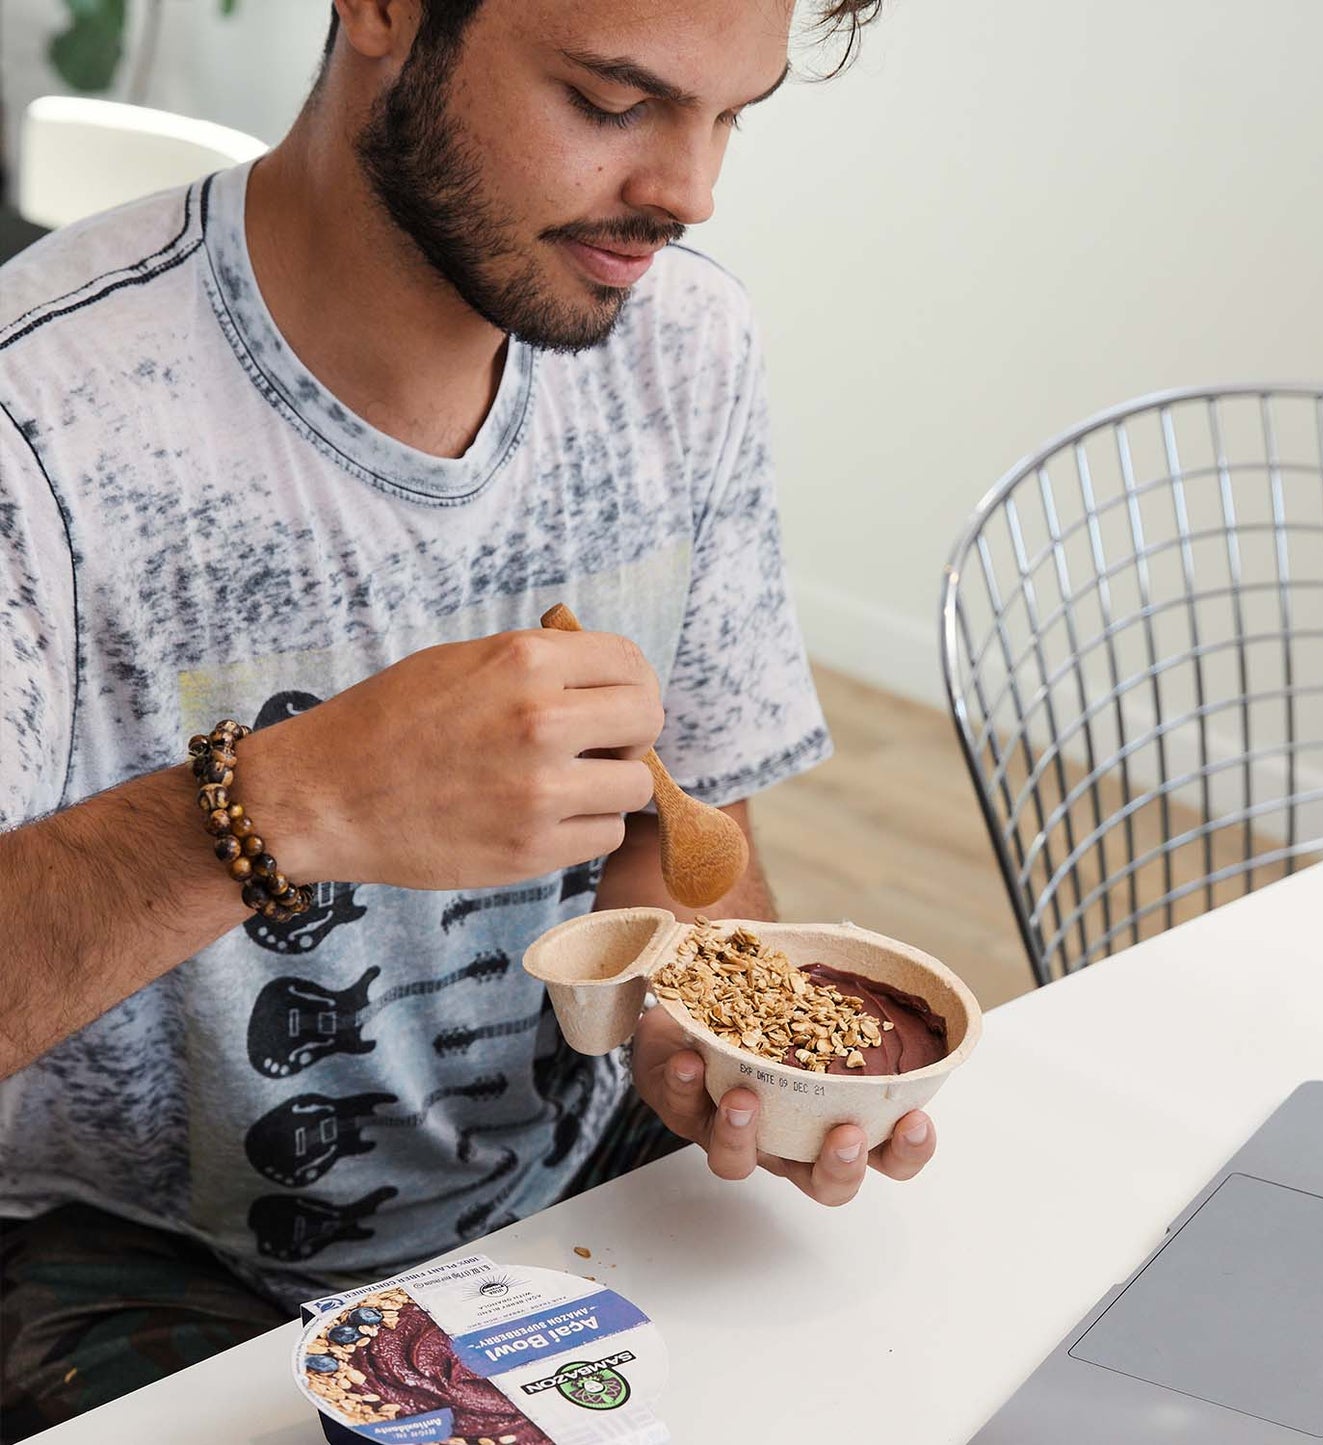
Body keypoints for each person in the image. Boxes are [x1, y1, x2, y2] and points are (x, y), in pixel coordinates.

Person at [0, 0, 936, 1434]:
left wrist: (704, 1037)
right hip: (142, 1255)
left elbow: (685, 836)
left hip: (572, 1187)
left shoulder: (686, 348)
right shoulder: (43, 410)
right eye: (614, 101)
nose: (690, 190)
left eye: (732, 114)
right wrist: (295, 798)